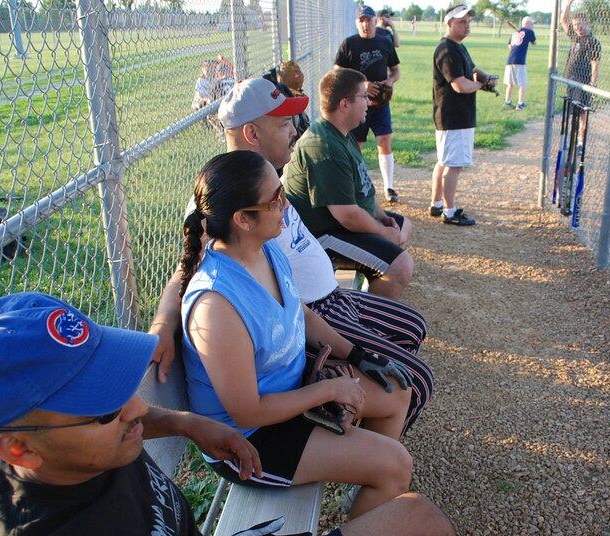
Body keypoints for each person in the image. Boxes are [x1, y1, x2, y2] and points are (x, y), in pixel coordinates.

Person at [0, 292, 464, 536]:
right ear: (19, 450)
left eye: (119, 384)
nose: (132, 408)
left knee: (418, 519)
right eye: (105, 406)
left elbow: (138, 414)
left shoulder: (81, 444)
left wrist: (186, 423)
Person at [149, 78, 433, 435]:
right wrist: (163, 322)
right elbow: (189, 267)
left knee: (411, 328)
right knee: (414, 380)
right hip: (305, 317)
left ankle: (365, 428)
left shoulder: (268, 178)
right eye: (283, 124)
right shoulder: (229, 195)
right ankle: (361, 449)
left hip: (328, 300)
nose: (294, 132)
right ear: (251, 133)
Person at [181, 150, 413, 518]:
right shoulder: (216, 305)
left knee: (397, 392)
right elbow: (247, 411)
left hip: (290, 393)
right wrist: (330, 390)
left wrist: (358, 356)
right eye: (275, 200)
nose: (286, 205)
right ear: (242, 219)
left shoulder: (265, 248)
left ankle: (364, 483)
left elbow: (298, 313)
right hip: (249, 441)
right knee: (396, 465)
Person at [284, 69, 414, 300]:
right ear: (345, 104)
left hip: (339, 224)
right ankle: (366, 327)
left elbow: (363, 189)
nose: (369, 102)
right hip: (320, 234)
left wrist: (383, 217)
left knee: (403, 227)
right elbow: (347, 216)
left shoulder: (342, 132)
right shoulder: (323, 146)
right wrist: (383, 232)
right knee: (400, 266)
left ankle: (372, 289)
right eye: (363, 96)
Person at [429, 5, 494, 227]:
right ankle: (450, 211)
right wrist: (480, 84)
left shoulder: (458, 47)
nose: (466, 26)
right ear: (449, 24)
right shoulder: (447, 50)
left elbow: (473, 70)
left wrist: (485, 78)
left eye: (468, 22)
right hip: (454, 117)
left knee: (444, 161)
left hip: (452, 117)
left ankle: (437, 203)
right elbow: (460, 85)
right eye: (461, 22)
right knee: (453, 165)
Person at [335, 5, 402, 204]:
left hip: (380, 103)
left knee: (385, 141)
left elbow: (396, 70)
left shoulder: (385, 41)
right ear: (357, 23)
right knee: (357, 145)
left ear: (375, 21)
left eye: (369, 20)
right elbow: (338, 72)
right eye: (361, 21)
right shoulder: (350, 44)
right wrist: (362, 84)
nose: (366, 24)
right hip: (358, 104)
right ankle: (356, 186)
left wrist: (389, 82)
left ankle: (389, 187)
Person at [560, 0, 600, 143]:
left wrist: (593, 83)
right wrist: (568, 4)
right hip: (571, 80)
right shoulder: (575, 37)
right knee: (574, 112)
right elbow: (563, 20)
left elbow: (595, 63)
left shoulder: (592, 41)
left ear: (587, 24)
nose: (577, 27)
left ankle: (580, 141)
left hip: (582, 81)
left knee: (582, 113)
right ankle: (574, 138)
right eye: (575, 24)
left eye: (580, 24)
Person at [504, 16, 536, 110]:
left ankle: (507, 101)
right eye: (532, 23)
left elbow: (510, 46)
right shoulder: (529, 32)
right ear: (527, 24)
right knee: (523, 83)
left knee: (511, 83)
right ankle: (520, 104)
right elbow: (534, 42)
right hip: (520, 61)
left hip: (510, 60)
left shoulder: (515, 33)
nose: (533, 25)